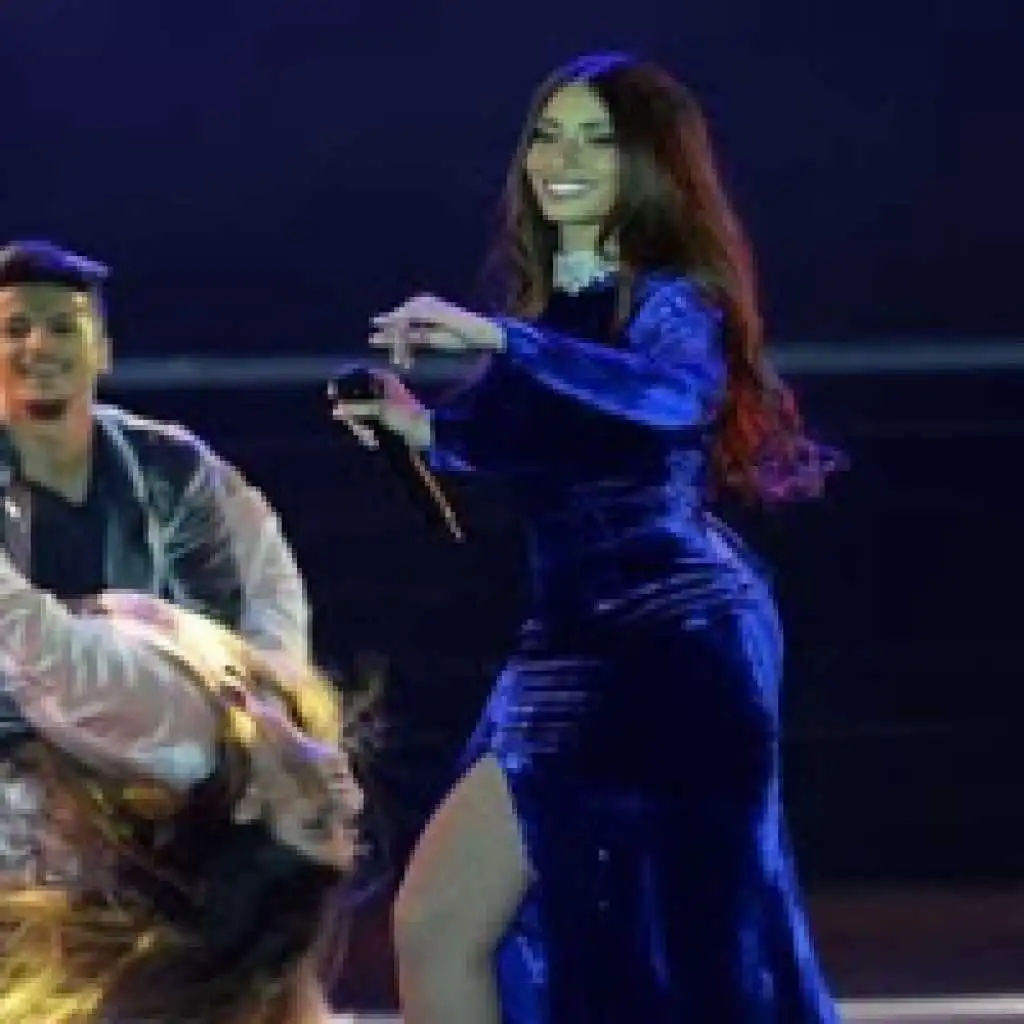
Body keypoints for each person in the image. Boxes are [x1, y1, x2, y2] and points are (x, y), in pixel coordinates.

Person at [333, 52, 841, 1023]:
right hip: (565, 648)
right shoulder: (556, 303)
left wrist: (499, 338)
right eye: (547, 135)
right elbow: (521, 437)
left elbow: (670, 397)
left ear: (647, 162)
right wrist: (416, 426)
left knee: (677, 942)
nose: (560, 159)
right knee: (445, 923)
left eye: (596, 140)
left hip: (675, 641)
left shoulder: (673, 298)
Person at [0, 239, 312, 888]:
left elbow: (218, 631)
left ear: (103, 350)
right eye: (15, 329)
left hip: (152, 765)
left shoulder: (170, 467)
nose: (38, 346)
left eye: (63, 327)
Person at [0, 545, 362, 1022]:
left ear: (250, 803)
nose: (348, 796)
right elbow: (263, 571)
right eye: (345, 821)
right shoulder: (268, 713)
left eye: (316, 821)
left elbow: (23, 628)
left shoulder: (177, 728)